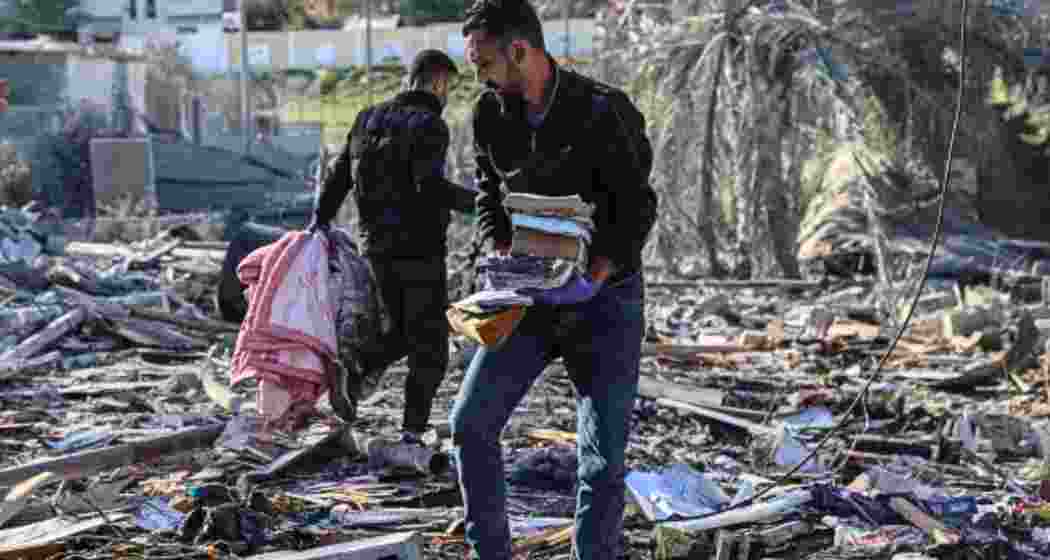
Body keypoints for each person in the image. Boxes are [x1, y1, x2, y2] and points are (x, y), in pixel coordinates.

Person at [451, 0, 658, 557]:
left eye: (485, 63)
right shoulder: (489, 113)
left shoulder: (602, 111)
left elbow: (637, 208)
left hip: (604, 302)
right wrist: (498, 248)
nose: (479, 76)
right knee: (470, 425)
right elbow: (487, 190)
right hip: (532, 299)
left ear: (521, 51)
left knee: (602, 460)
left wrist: (596, 272)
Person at [308, 49, 476, 445]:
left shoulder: (368, 117)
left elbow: (338, 177)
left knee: (401, 331)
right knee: (431, 346)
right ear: (437, 82)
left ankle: (356, 367)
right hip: (419, 250)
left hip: (377, 250)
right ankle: (412, 435)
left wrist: (320, 220)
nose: (446, 94)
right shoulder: (430, 125)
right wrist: (482, 203)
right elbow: (429, 186)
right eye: (447, 86)